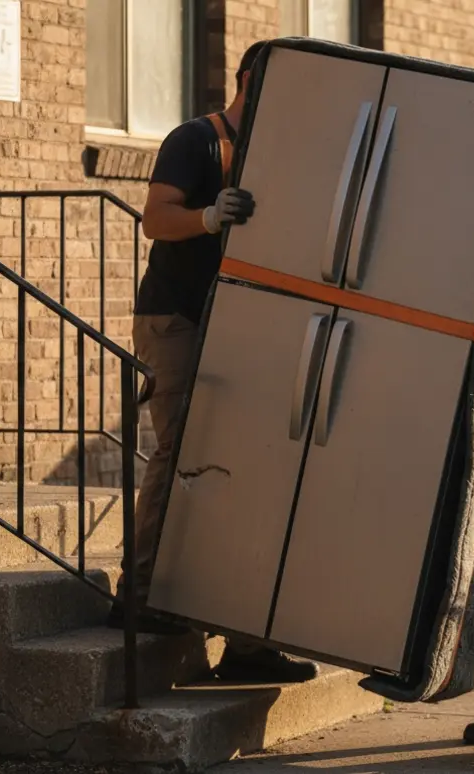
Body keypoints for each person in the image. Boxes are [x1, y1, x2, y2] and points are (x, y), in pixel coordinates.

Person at [107, 40, 319, 685]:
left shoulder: (277, 151)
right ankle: (139, 596)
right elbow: (154, 219)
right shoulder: (195, 139)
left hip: (240, 323)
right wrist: (206, 216)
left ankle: (247, 643)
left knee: (245, 469)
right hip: (177, 319)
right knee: (181, 450)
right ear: (250, 80)